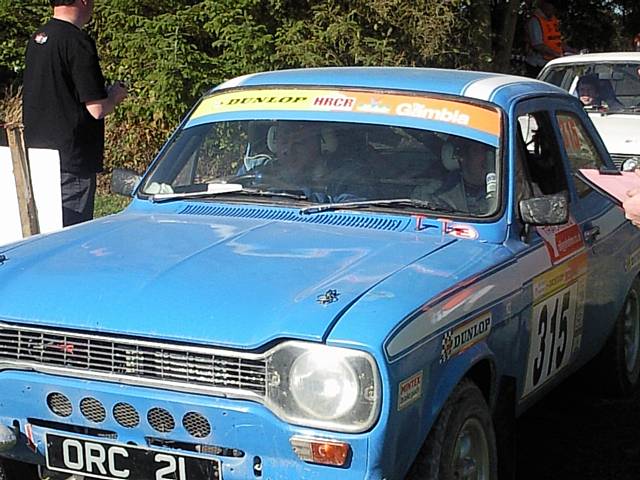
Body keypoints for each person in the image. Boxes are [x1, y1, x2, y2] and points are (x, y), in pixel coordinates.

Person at [22, 0, 127, 227]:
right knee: (70, 237)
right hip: (71, 161)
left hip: (37, 156)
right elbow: (97, 109)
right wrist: (115, 97)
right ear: (82, 1)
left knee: (41, 232)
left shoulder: (38, 38)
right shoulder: (77, 41)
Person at [524, 0, 576, 77]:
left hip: (553, 63)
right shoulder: (535, 21)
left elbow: (558, 41)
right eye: (552, 6)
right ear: (544, 5)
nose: (554, 9)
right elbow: (538, 45)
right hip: (538, 65)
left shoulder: (553, 20)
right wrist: (557, 55)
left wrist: (573, 52)